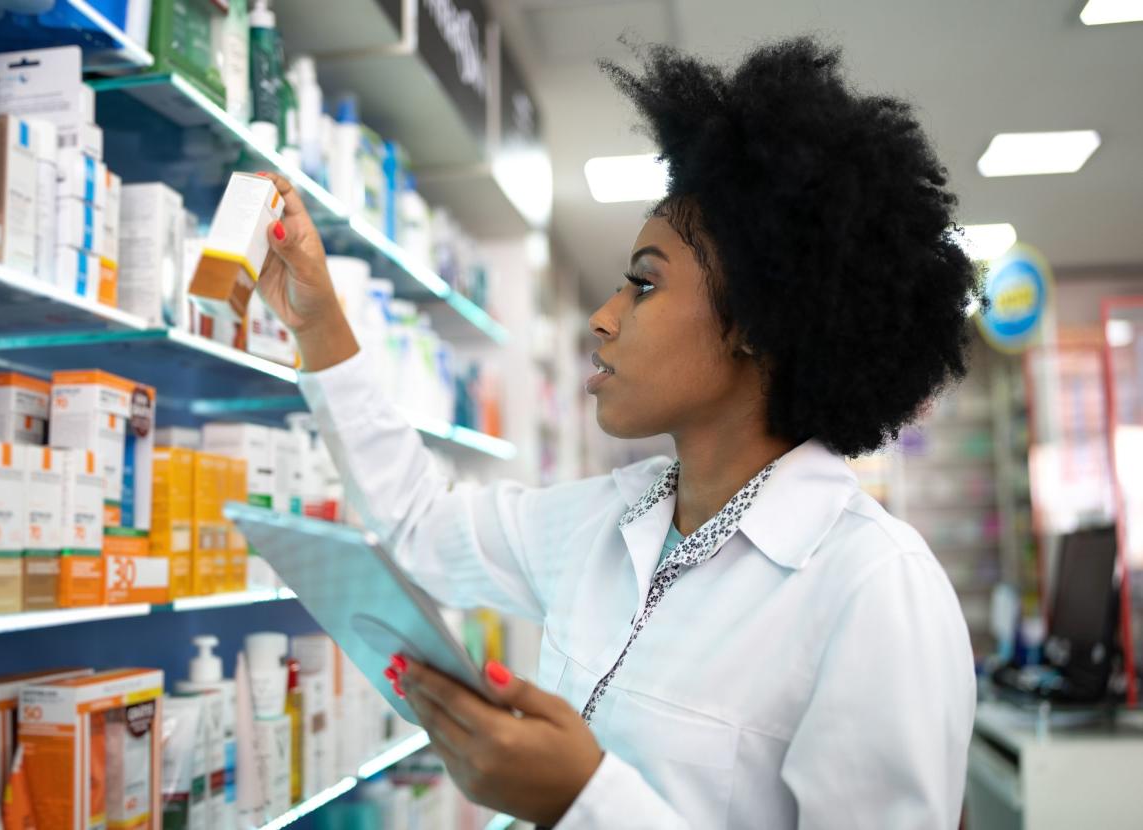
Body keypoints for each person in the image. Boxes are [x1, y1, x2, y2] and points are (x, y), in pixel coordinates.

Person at [255, 36, 980, 829]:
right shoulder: (605, 523)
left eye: (644, 284)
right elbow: (420, 528)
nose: (603, 318)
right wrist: (320, 324)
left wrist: (584, 800)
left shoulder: (872, 589)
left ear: (756, 324)